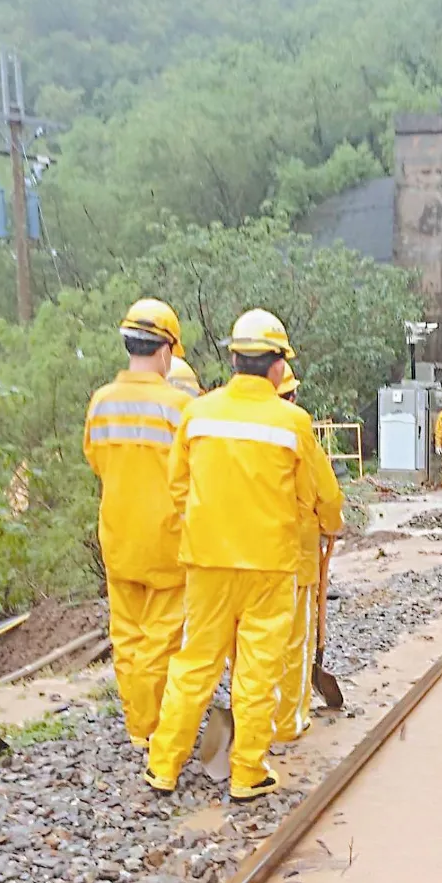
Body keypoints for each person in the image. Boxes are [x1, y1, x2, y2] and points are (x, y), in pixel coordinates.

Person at [145, 309, 328, 801]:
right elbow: (315, 495)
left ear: (232, 358)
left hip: (206, 562)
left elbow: (177, 485)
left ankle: (163, 765)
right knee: (258, 667)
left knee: (195, 662)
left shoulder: (197, 413)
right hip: (269, 567)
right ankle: (247, 772)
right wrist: (324, 522)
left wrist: (207, 526)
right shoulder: (293, 422)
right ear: (277, 366)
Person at [83, 298, 193, 749]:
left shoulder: (101, 402)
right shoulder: (179, 407)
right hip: (166, 540)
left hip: (117, 536)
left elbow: (96, 460)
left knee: (126, 637)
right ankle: (153, 727)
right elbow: (193, 472)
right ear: (166, 351)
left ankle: (137, 728)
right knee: (161, 640)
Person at [273, 363, 343, 742]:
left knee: (253, 639)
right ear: (293, 396)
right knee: (294, 638)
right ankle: (289, 719)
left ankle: (254, 716)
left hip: (242, 552)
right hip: (294, 552)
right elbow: (326, 492)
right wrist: (332, 523)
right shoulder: (298, 429)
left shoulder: (236, 424)